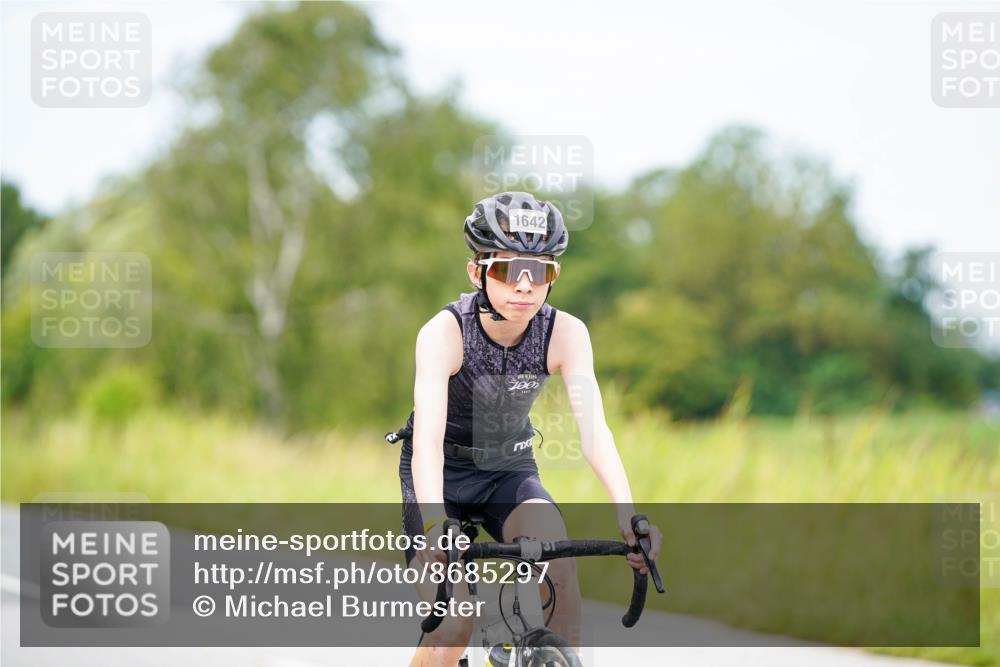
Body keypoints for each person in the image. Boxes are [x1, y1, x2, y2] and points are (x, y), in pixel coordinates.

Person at [391, 192, 662, 667]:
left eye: (539, 271)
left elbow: (595, 431)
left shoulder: (566, 333)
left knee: (560, 569)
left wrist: (629, 516)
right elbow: (428, 445)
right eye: (506, 270)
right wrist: (435, 524)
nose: (524, 286)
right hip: (442, 476)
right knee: (454, 624)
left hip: (508, 469)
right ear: (477, 273)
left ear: (553, 277)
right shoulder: (445, 333)